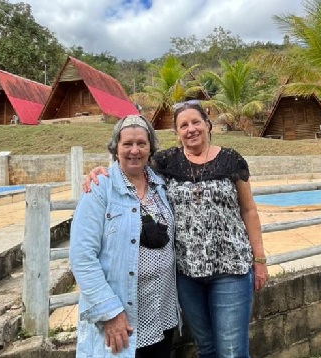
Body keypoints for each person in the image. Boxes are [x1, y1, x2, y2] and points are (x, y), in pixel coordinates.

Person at [84, 101, 269, 357]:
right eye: (183, 125)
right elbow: (131, 163)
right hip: (186, 274)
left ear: (207, 124)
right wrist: (102, 171)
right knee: (205, 348)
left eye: (196, 122)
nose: (191, 129)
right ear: (176, 132)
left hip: (232, 269)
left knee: (231, 350)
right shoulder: (166, 162)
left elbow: (249, 210)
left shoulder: (231, 160)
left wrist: (259, 260)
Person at [70, 114, 178, 358]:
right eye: (127, 144)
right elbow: (82, 257)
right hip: (122, 320)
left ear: (151, 148)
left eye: (141, 143)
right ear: (115, 148)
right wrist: (110, 313)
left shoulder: (160, 186)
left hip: (162, 315)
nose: (134, 150)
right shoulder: (99, 189)